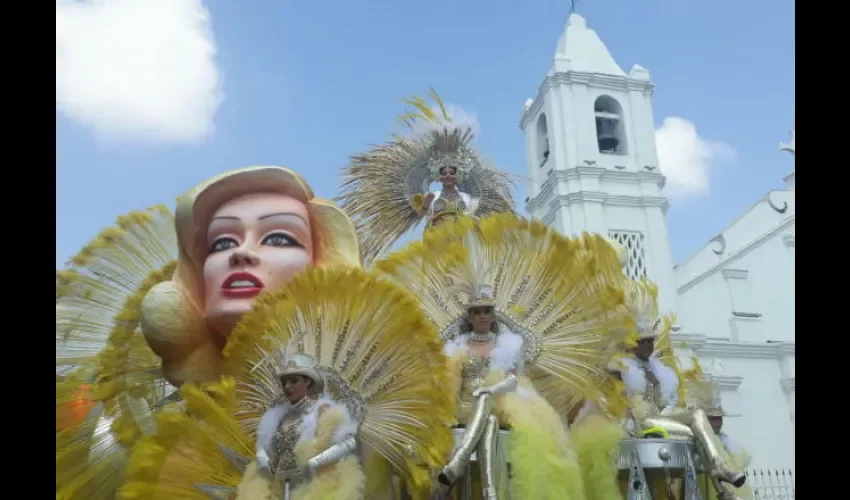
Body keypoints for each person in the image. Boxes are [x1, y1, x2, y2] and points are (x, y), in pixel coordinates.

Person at [56, 166, 362, 499]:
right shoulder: (167, 438)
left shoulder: (360, 424)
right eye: (223, 242)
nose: (240, 253)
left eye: (278, 238)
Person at [118, 266, 455, 500]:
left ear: (308, 384)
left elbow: (347, 443)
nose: (288, 386)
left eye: (294, 381)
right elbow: (264, 443)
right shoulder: (275, 414)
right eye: (286, 381)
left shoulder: (326, 412)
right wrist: (264, 458)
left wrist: (315, 463)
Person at [373, 213, 631, 500]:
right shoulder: (457, 349)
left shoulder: (508, 344)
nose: (481, 317)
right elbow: (450, 386)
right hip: (464, 409)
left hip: (504, 404)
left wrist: (492, 388)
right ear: (469, 318)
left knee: (492, 415)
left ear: (492, 315)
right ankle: (469, 485)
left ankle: (475, 480)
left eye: (486, 312)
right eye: (476, 313)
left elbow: (513, 379)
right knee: (464, 421)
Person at [338, 89, 514, 265]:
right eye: (443, 173)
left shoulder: (466, 198)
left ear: (457, 174)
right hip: (436, 243)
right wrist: (424, 203)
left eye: (451, 172)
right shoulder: (435, 196)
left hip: (462, 243)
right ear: (438, 176)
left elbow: (474, 216)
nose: (447, 175)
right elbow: (421, 212)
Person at [610, 281, 748, 500]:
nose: (649, 346)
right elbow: (617, 398)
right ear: (633, 344)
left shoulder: (660, 369)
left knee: (697, 415)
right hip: (642, 420)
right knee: (693, 434)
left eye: (651, 341)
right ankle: (722, 489)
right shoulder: (621, 367)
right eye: (643, 342)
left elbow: (669, 401)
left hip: (662, 415)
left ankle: (720, 470)